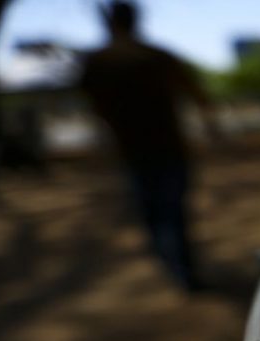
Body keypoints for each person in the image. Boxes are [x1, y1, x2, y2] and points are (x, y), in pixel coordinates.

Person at [79, 1, 216, 291]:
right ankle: (182, 269)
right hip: (169, 148)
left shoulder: (98, 62)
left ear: (110, 23)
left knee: (153, 212)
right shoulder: (156, 56)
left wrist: (103, 145)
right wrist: (211, 129)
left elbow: (95, 109)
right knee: (172, 212)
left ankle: (172, 264)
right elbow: (198, 95)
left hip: (133, 152)